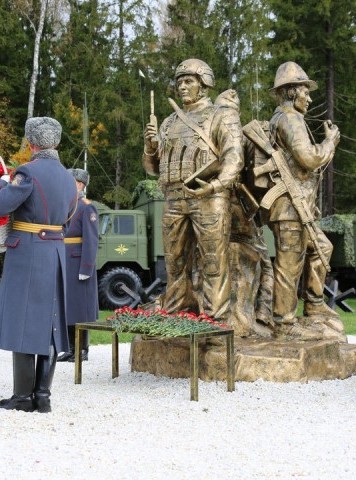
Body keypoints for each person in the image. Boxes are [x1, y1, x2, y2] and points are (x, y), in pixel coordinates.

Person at [143, 58, 244, 323]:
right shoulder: (168, 122)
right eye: (179, 82)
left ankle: (215, 321)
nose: (182, 87)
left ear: (204, 84)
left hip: (210, 198)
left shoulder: (222, 116)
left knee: (214, 263)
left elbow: (234, 159)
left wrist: (215, 185)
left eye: (189, 81)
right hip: (174, 198)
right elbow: (153, 169)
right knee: (174, 264)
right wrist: (150, 146)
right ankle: (178, 313)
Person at [0, 117, 77, 413]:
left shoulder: (27, 172)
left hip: (28, 250)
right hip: (55, 250)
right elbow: (67, 214)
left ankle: (22, 397)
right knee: (50, 322)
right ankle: (43, 396)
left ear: (31, 143)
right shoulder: (68, 177)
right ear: (57, 142)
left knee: (24, 319)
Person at [263, 61, 342, 341]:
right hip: (288, 208)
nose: (308, 97)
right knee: (289, 264)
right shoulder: (290, 119)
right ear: (291, 92)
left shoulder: (283, 118)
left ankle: (315, 307)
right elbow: (309, 158)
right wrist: (329, 142)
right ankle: (284, 325)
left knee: (322, 247)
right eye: (304, 92)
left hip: (297, 206)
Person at [57, 168, 99, 363]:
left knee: (81, 308)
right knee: (67, 307)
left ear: (80, 184)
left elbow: (91, 240)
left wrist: (86, 267)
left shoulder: (86, 207)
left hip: (78, 261)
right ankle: (70, 349)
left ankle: (82, 350)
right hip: (65, 260)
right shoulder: (66, 204)